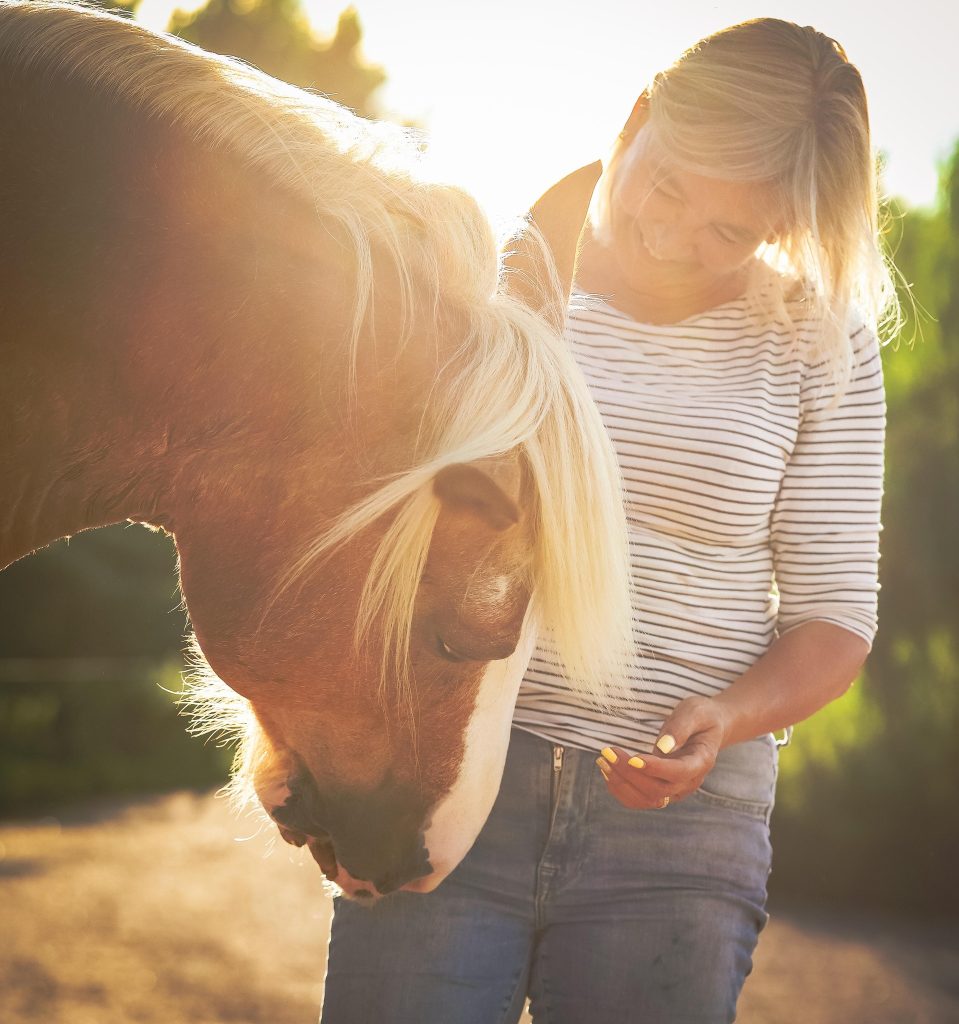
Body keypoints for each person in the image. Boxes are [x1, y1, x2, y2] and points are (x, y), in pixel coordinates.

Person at [320, 18, 897, 1023]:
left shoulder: (818, 339)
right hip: (450, 780)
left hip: (680, 842)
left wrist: (727, 717)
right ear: (635, 116)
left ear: (786, 227)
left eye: (730, 230)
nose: (671, 236)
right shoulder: (482, 280)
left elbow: (833, 617)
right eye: (665, 184)